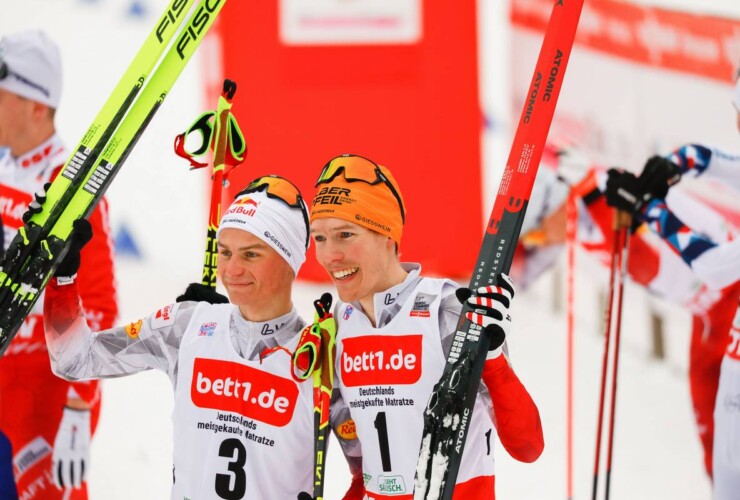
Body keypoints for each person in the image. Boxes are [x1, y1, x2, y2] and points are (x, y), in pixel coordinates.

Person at [43, 175, 364, 499]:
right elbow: (74, 359)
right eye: (225, 253)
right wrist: (64, 277)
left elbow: (371, 476)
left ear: (289, 260)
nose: (232, 269)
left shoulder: (320, 357)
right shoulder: (188, 326)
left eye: (251, 255)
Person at [309, 154, 544, 499]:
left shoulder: (447, 311)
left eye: (345, 234)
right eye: (319, 238)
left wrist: (492, 358)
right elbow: (362, 475)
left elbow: (527, 446)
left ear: (387, 235)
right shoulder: (339, 329)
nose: (330, 255)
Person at [514, 143, 740, 480]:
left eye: (535, 233)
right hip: (705, 313)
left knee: (726, 432)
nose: (537, 243)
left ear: (551, 209)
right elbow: (522, 274)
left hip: (731, 298)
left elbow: (646, 265)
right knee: (711, 433)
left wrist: (593, 199)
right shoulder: (570, 215)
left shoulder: (600, 196)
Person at [0, 30, 118, 498]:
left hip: (44, 396)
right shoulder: (4, 166)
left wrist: (79, 405)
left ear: (35, 105)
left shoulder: (67, 186)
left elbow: (102, 306)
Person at [605, 144, 740, 499]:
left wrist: (648, 209)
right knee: (717, 445)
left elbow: (714, 265)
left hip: (729, 297)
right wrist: (671, 166)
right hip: (713, 320)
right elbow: (712, 160)